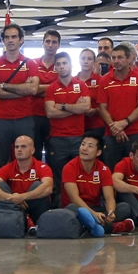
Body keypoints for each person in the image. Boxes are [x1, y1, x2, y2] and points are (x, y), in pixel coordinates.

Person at [0, 23, 39, 167]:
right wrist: (22, 90)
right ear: (3, 41)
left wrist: (2, 85)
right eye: (7, 37)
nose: (10, 40)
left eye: (14, 37)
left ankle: (24, 189)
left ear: (21, 40)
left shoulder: (31, 64)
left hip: (24, 119)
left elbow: (32, 90)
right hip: (0, 120)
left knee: (25, 160)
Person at [60, 134, 134, 233]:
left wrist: (110, 213)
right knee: (71, 210)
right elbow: (74, 198)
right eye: (83, 144)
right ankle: (111, 227)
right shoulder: (69, 167)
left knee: (124, 208)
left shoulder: (104, 169)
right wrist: (93, 214)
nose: (84, 149)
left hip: (96, 207)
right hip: (76, 207)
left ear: (98, 152)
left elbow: (109, 198)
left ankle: (90, 226)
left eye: (90, 146)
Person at [0, 135, 53, 236]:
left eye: (23, 147)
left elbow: (48, 188)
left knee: (38, 185)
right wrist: (12, 198)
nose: (19, 150)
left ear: (32, 150)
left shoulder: (42, 167)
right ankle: (25, 222)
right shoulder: (8, 167)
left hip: (35, 208)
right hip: (15, 208)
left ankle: (34, 222)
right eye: (16, 147)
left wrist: (22, 197)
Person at [97, 44, 138, 167]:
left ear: (129, 59)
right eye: (114, 58)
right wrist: (115, 127)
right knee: (112, 170)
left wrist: (124, 122)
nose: (116, 61)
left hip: (135, 132)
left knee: (136, 169)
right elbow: (102, 108)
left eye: (120, 57)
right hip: (112, 133)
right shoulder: (104, 80)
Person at [45, 52, 90, 190]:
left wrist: (63, 106)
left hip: (78, 137)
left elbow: (86, 107)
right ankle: (60, 206)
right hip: (58, 139)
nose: (62, 67)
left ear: (71, 65)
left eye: (64, 63)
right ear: (55, 68)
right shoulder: (51, 88)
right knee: (59, 178)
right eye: (58, 64)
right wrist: (75, 108)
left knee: (80, 175)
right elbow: (50, 112)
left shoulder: (81, 85)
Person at [32, 30, 60, 162]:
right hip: (33, 116)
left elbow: (62, 91)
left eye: (54, 42)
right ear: (42, 43)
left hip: (53, 117)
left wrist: (40, 88)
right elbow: (31, 89)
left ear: (58, 45)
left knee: (52, 154)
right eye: (48, 41)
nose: (50, 45)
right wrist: (52, 87)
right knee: (34, 153)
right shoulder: (33, 64)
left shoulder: (61, 65)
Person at [77, 48, 105, 138]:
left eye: (89, 59)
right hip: (77, 125)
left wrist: (95, 110)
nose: (86, 61)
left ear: (94, 62)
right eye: (83, 58)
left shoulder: (101, 81)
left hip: (97, 125)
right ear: (79, 60)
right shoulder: (72, 81)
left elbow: (108, 104)